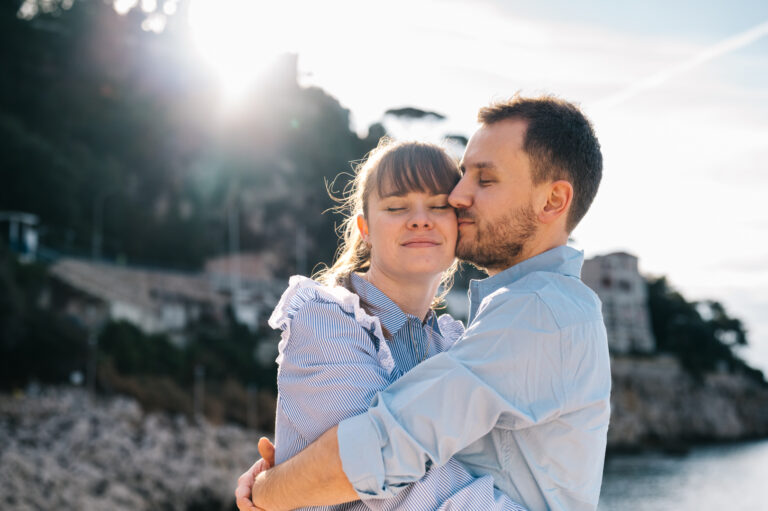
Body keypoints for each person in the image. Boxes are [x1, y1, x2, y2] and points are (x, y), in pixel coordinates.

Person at [238, 94, 611, 511]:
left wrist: (268, 490)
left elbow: (382, 457)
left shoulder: (537, 312)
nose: (459, 197)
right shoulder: (468, 331)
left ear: (552, 201)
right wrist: (298, 468)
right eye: (463, 177)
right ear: (365, 227)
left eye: (484, 181)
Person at [236, 139, 527, 510]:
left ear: (460, 225)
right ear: (365, 229)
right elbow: (394, 485)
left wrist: (268, 487)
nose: (420, 218)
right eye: (396, 206)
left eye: (438, 205)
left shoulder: (453, 344)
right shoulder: (324, 321)